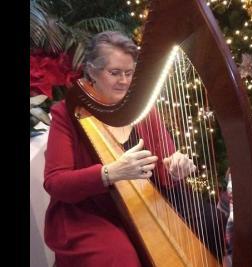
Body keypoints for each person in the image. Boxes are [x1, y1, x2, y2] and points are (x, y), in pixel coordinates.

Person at [43, 30, 196, 267]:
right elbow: (55, 183)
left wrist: (176, 168)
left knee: (207, 220)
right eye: (114, 73)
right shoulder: (66, 113)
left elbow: (166, 170)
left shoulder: (142, 108)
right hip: (85, 212)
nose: (124, 81)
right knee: (119, 258)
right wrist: (110, 173)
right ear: (92, 71)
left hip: (140, 202)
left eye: (129, 73)